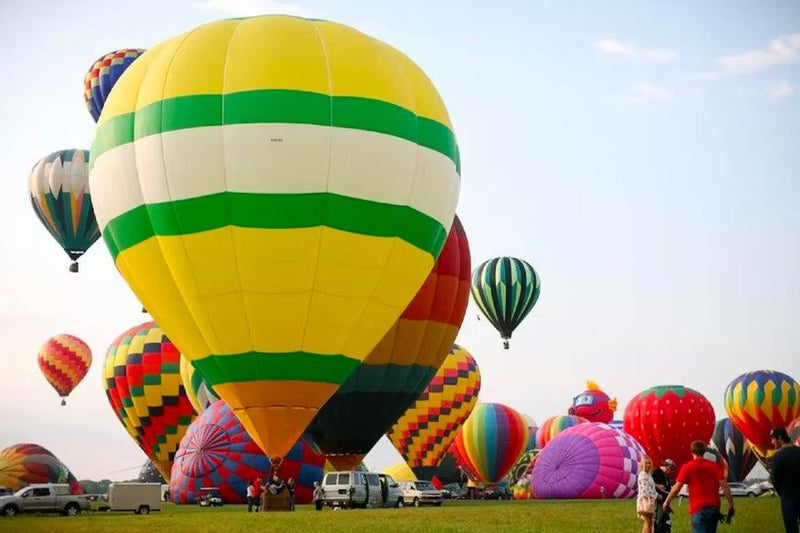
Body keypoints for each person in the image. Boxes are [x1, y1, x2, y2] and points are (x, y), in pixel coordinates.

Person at [663, 441, 734, 533]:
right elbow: (725, 487)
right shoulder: (714, 467)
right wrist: (731, 505)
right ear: (704, 451)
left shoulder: (687, 467)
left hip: (698, 508)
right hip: (714, 508)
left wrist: (667, 502)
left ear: (692, 451)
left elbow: (677, 487)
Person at [770, 427, 800, 533]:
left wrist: (781, 493)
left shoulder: (778, 456)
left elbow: (774, 479)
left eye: (773, 439)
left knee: (791, 529)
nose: (772, 442)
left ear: (779, 438)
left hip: (788, 499)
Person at [652, 459, 676, 533]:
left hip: (665, 501)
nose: (670, 471)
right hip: (658, 501)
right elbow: (650, 485)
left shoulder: (666, 476)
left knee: (665, 520)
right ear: (667, 466)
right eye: (670, 469)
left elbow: (667, 488)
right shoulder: (657, 473)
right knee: (658, 519)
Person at [637, 457, 658, 533]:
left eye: (649, 463)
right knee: (648, 522)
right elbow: (645, 490)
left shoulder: (648, 475)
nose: (648, 465)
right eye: (646, 463)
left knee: (648, 523)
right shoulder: (643, 476)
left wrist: (657, 486)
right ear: (642, 464)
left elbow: (651, 486)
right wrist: (656, 495)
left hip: (649, 501)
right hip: (645, 501)